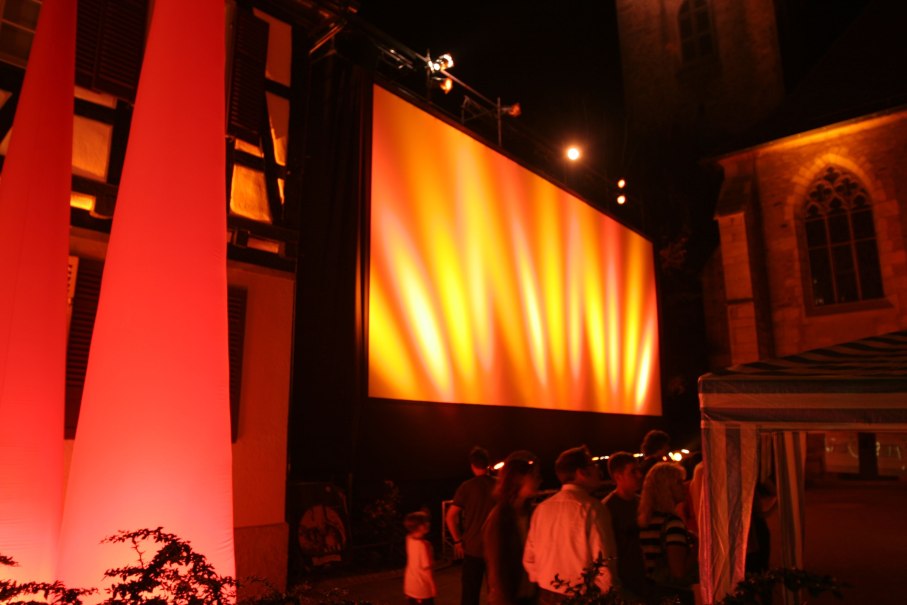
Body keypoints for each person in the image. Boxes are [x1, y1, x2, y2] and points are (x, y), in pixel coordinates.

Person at [523, 445, 617, 604]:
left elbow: (529, 559)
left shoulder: (541, 509)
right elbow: (605, 564)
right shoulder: (592, 509)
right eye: (593, 465)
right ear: (581, 472)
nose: (598, 470)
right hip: (582, 597)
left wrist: (546, 581)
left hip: (546, 595)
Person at [483, 450, 542, 605]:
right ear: (518, 479)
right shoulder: (499, 519)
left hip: (529, 596)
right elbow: (496, 571)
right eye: (533, 475)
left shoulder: (531, 513)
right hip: (509, 599)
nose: (539, 480)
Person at [638, 462, 697, 604]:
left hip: (652, 593)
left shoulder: (646, 522)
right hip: (674, 596)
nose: (684, 487)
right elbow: (678, 572)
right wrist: (699, 546)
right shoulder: (672, 523)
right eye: (678, 483)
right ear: (666, 488)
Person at [446, 446, 496, 605]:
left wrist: (457, 541)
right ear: (488, 464)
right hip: (495, 548)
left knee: (470, 594)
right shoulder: (500, 485)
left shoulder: (466, 487)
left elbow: (450, 516)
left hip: (472, 548)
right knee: (496, 594)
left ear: (472, 465)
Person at [602, 452, 647, 601]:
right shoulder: (607, 509)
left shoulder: (643, 503)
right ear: (618, 476)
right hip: (626, 584)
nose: (640, 475)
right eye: (633, 471)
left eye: (639, 470)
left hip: (646, 580)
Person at [404, 511, 437, 605]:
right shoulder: (424, 546)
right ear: (418, 526)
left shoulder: (409, 538)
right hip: (422, 589)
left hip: (409, 586)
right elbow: (427, 570)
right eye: (424, 522)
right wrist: (432, 587)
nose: (428, 524)